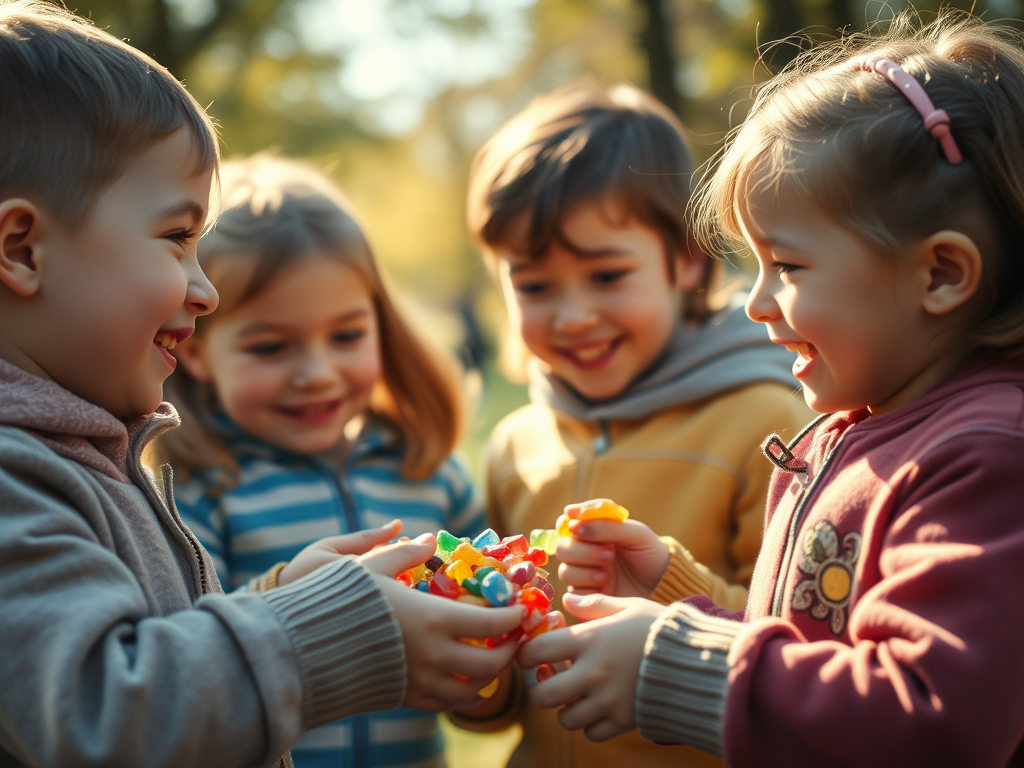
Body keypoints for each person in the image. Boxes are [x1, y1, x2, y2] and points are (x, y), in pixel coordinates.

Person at [0, 4, 527, 767]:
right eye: (178, 240)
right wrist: (328, 629)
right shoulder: (17, 476)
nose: (204, 291)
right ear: (22, 250)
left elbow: (155, 661)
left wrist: (282, 600)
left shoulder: (76, 456)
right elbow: (104, 712)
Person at [519, 13, 1024, 767]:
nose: (753, 302)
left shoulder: (984, 460)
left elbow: (930, 718)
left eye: (786, 267)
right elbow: (818, 642)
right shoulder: (858, 429)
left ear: (940, 275)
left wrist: (674, 662)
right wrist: (668, 595)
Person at [450, 82, 811, 768]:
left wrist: (667, 603)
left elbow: (791, 645)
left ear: (687, 261)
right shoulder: (514, 446)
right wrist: (474, 667)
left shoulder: (764, 422)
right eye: (533, 286)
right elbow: (504, 694)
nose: (573, 315)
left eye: (608, 275)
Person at [157, 153, 483, 768]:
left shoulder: (431, 475)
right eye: (272, 346)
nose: (316, 373)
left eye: (347, 336)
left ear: (380, 328)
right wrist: (305, 607)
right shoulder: (202, 494)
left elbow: (491, 606)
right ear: (197, 352)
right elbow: (198, 653)